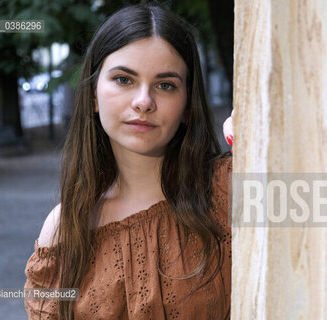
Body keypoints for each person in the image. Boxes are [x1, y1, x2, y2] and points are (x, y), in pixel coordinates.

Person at [23, 3, 234, 319]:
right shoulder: (65, 226)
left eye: (165, 85)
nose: (143, 102)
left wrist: (268, 146)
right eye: (124, 79)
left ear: (188, 105)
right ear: (93, 96)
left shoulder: (229, 189)